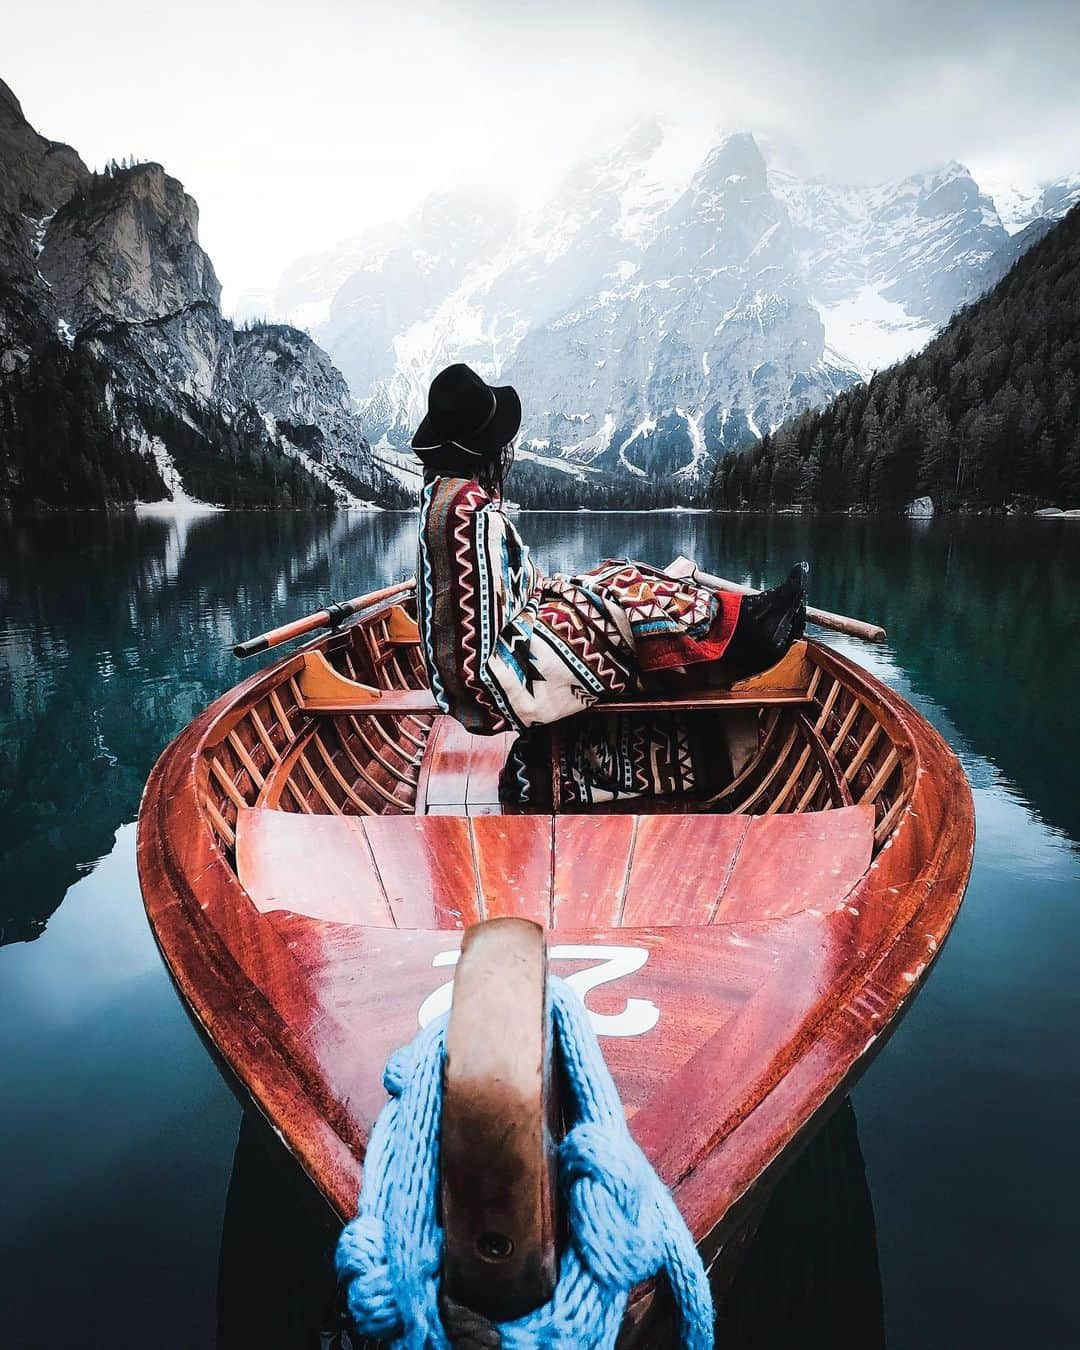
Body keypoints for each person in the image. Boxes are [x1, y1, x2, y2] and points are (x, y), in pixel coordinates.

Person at [412, 363, 807, 808]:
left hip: (484, 665)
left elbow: (496, 600)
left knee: (615, 577)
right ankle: (748, 636)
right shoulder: (473, 513)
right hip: (496, 677)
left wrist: (568, 589)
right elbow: (495, 625)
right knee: (622, 600)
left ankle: (739, 624)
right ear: (485, 451)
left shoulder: (445, 501)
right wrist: (573, 597)